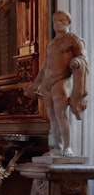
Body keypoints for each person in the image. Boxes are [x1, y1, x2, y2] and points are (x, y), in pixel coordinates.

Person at [26, 9, 89, 156]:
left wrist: (76, 61)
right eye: (55, 21)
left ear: (68, 22)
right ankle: (57, 146)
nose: (57, 24)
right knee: (52, 117)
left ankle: (68, 147)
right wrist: (36, 84)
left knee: (61, 115)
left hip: (62, 81)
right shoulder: (52, 44)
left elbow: (83, 58)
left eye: (61, 21)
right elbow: (44, 67)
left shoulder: (73, 39)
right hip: (48, 84)